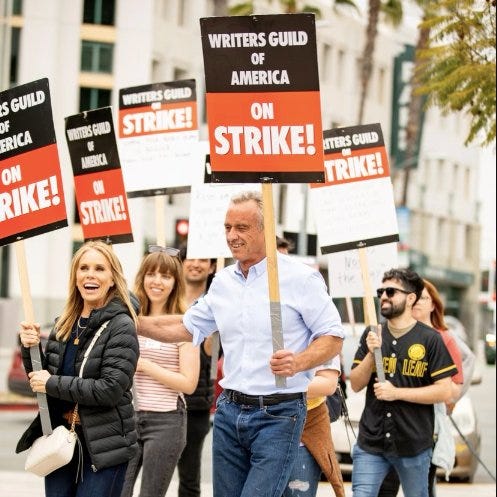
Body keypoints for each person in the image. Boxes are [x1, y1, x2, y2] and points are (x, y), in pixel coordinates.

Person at [136, 190, 344, 497]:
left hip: (280, 413)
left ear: (265, 229)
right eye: (227, 228)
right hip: (228, 410)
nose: (232, 236)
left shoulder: (301, 278)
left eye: (242, 228)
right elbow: (184, 325)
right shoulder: (222, 282)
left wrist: (298, 362)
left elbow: (333, 337)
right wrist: (132, 323)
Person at [16, 240, 139, 497]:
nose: (90, 274)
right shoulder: (65, 323)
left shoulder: (121, 326)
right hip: (60, 443)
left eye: (99, 268)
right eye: (83, 268)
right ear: (75, 276)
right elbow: (43, 381)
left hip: (103, 448)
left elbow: (110, 389)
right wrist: (31, 349)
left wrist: (51, 383)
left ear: (113, 279)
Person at [349, 268, 457, 497]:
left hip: (414, 445)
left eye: (391, 291)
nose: (384, 296)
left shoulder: (430, 339)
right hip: (371, 444)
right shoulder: (372, 333)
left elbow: (445, 390)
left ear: (410, 298)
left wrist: (397, 393)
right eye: (381, 291)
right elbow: (356, 384)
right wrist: (371, 353)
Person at [121, 246, 200, 497]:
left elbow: (188, 383)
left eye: (166, 276)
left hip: (166, 422)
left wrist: (146, 366)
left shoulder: (185, 323)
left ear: (175, 282)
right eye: (151, 274)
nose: (157, 281)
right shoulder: (127, 318)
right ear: (142, 277)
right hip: (125, 418)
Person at [378, 278, 466, 497]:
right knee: (385, 487)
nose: (417, 302)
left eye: (423, 297)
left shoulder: (442, 339)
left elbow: (453, 388)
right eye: (414, 297)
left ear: (433, 304)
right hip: (387, 427)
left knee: (421, 488)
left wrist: (434, 394)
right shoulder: (387, 334)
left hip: (424, 429)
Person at [176, 245, 217, 497]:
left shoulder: (219, 301)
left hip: (196, 403)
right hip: (159, 399)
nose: (196, 263)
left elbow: (212, 353)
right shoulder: (166, 297)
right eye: (190, 257)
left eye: (203, 258)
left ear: (212, 266)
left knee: (189, 478)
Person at [283, 355, 345, 497]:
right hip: (256, 430)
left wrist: (269, 390)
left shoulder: (324, 335)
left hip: (305, 429)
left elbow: (328, 384)